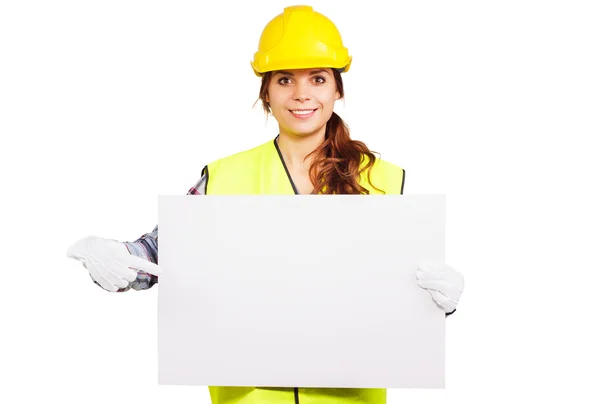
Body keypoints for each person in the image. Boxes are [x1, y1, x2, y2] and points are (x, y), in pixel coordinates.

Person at [67, 5, 464, 404]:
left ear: (337, 90)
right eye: (285, 79)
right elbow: (159, 257)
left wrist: (440, 303)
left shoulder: (382, 179)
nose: (302, 94)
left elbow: (404, 296)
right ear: (267, 93)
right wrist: (113, 257)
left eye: (318, 78)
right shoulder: (223, 177)